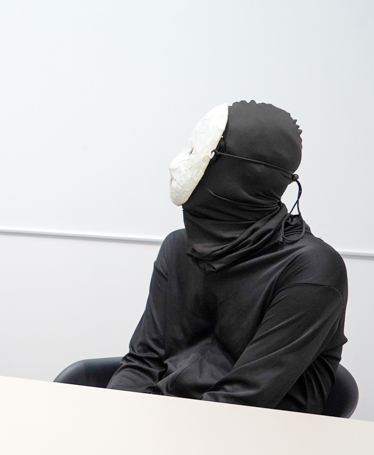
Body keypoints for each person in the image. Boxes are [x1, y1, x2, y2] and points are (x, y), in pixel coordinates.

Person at [107, 101, 347, 413]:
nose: (177, 165)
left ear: (243, 173)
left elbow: (242, 399)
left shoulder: (311, 268)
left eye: (199, 153)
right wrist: (113, 417)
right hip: (167, 423)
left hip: (258, 435)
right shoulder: (178, 248)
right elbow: (142, 362)